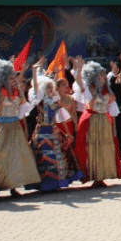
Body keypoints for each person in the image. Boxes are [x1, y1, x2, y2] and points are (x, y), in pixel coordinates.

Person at [0, 52, 41, 195]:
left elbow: (23, 105)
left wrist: (23, 75)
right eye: (11, 77)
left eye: (14, 77)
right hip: (1, 127)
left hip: (15, 127)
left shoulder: (16, 92)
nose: (14, 79)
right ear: (4, 79)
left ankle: (14, 186)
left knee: (16, 157)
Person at [28, 58, 81, 191]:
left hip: (53, 131)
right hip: (41, 131)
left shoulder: (55, 101)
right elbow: (35, 86)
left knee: (56, 156)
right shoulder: (39, 100)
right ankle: (44, 182)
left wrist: (68, 133)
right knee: (43, 156)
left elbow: (61, 116)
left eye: (51, 87)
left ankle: (55, 182)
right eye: (48, 88)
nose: (50, 90)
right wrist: (34, 71)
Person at [73, 57, 121, 186]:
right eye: (101, 74)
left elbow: (112, 110)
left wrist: (114, 128)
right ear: (95, 76)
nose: (104, 76)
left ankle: (101, 176)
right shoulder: (90, 88)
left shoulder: (108, 91)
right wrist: (79, 69)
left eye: (103, 73)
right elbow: (79, 82)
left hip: (104, 121)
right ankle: (94, 176)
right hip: (92, 120)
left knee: (104, 148)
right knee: (93, 148)